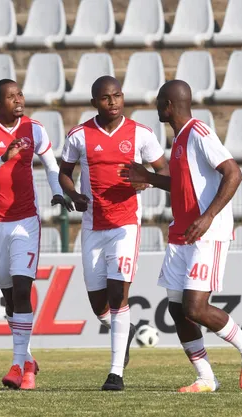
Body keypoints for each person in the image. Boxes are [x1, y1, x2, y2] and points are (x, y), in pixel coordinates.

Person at [120, 80, 242, 393]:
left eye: (159, 101)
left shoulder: (199, 132)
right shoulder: (180, 140)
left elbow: (233, 173)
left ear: (169, 105)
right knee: (176, 308)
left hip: (207, 231)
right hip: (182, 232)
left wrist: (208, 216)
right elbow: (182, 186)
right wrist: (148, 178)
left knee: (195, 307)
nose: (156, 107)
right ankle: (206, 377)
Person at [59, 76, 167, 391]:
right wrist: (73, 195)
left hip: (125, 224)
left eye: (117, 95)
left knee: (118, 294)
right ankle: (125, 332)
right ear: (95, 102)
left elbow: (163, 170)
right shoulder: (79, 135)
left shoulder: (141, 134)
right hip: (92, 226)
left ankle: (115, 373)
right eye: (106, 97)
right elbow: (64, 173)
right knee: (98, 304)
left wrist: (146, 180)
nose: (113, 102)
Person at [0, 79, 70, 390]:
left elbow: (51, 165)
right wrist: (3, 158)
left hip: (26, 221)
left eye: (20, 94)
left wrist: (57, 191)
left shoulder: (34, 129)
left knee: (23, 289)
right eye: (11, 97)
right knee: (9, 297)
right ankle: (28, 360)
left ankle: (17, 366)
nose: (18, 99)